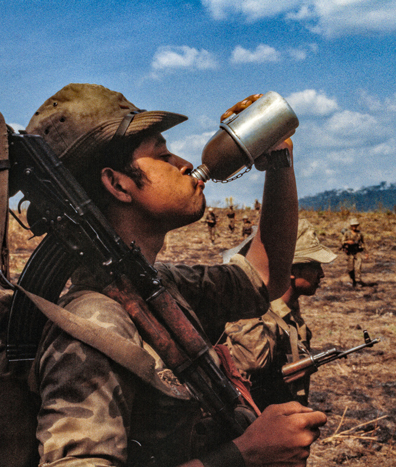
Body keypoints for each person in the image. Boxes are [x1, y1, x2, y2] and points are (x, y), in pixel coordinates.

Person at [24, 84, 326, 466]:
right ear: (117, 183)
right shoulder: (96, 324)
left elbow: (265, 279)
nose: (184, 162)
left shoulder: (158, 284)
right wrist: (245, 454)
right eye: (162, 154)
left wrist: (278, 158)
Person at [225, 219, 337, 411]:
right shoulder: (257, 312)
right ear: (292, 270)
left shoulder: (289, 308)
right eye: (315, 265)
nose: (322, 274)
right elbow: (253, 361)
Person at [340, 217, 367, 287]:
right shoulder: (347, 233)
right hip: (350, 253)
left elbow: (363, 243)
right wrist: (347, 242)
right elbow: (342, 242)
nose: (354, 227)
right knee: (350, 269)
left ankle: (358, 281)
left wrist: (366, 252)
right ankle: (353, 280)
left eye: (355, 225)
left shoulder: (360, 234)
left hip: (357, 252)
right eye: (352, 225)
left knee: (358, 267)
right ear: (351, 226)